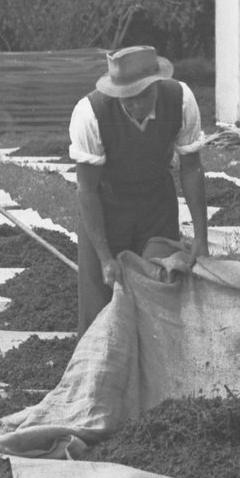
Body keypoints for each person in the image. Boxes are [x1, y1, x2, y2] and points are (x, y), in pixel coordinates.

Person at [70, 45, 209, 332]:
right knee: (100, 310)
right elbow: (86, 189)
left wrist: (200, 237)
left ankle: (157, 373)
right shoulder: (89, 113)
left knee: (161, 293)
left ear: (155, 86)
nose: (127, 104)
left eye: (136, 97)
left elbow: (191, 168)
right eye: (122, 97)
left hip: (157, 204)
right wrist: (105, 257)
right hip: (106, 208)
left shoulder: (180, 99)